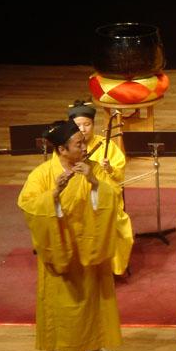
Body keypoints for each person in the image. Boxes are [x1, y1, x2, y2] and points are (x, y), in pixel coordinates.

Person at [17, 119, 123, 351]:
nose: (85, 148)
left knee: (93, 302)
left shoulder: (93, 169)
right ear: (62, 150)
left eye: (84, 142)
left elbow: (113, 197)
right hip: (60, 250)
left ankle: (94, 346)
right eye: (79, 144)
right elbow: (29, 207)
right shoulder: (41, 175)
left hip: (90, 247)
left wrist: (95, 182)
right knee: (59, 309)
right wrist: (53, 194)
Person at [67, 100, 134, 276]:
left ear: (93, 124)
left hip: (104, 197)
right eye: (78, 125)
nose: (82, 129)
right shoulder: (67, 147)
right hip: (77, 198)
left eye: (87, 124)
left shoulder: (106, 145)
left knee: (113, 219)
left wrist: (109, 169)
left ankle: (111, 267)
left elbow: (119, 177)